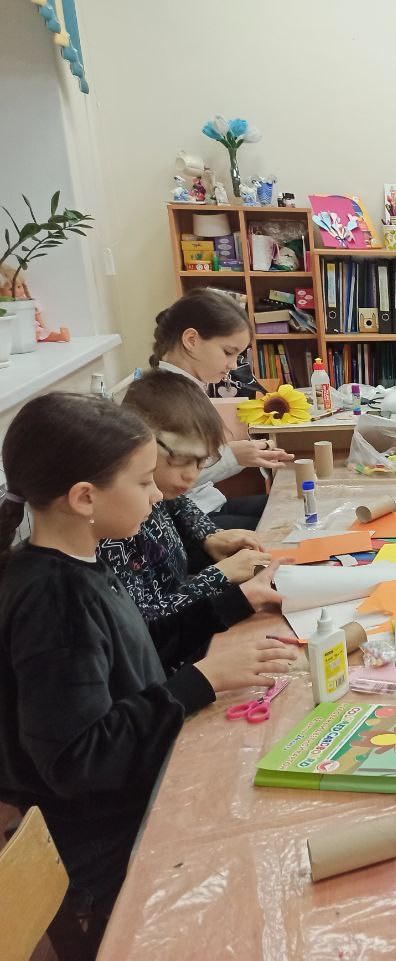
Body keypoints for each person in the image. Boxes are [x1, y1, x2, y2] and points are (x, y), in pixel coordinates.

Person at [0, 393, 295, 959]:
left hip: (138, 786)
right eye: (142, 482)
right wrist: (201, 681)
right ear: (85, 497)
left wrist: (232, 606)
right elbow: (78, 759)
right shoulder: (55, 600)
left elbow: (139, 653)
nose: (157, 494)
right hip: (110, 834)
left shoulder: (83, 560)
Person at [99, 370, 282, 627]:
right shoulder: (116, 527)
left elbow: (179, 504)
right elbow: (146, 626)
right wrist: (218, 576)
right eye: (184, 460)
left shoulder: (159, 491)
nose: (192, 475)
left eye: (202, 461)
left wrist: (208, 535)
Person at [150, 288, 292, 529]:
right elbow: (168, 478)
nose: (233, 365)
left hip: (207, 506)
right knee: (287, 527)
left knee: (293, 506)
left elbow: (192, 457)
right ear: (191, 340)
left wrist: (238, 453)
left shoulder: (186, 388)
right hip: (186, 521)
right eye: (228, 352)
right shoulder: (162, 398)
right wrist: (233, 456)